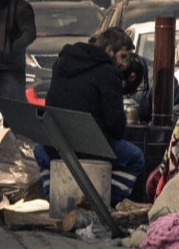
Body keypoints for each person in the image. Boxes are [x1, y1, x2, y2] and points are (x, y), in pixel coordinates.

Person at [33, 27, 145, 206]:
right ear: (109, 51)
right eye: (123, 56)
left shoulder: (62, 63)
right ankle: (105, 206)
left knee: (40, 151)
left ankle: (53, 201)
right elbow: (116, 127)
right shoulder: (109, 74)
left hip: (56, 145)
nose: (124, 63)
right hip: (91, 148)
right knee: (135, 158)